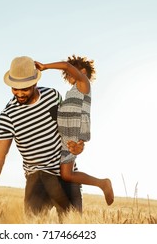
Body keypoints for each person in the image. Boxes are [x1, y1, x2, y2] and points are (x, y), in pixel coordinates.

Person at [0, 56, 82, 217]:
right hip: (37, 179)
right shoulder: (8, 115)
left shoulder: (53, 96)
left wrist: (78, 144)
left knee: (74, 230)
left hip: (66, 175)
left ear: (35, 82)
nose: (19, 93)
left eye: (24, 88)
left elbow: (68, 129)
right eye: (14, 88)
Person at [35, 55, 114, 206]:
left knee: (71, 160)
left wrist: (45, 66)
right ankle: (102, 183)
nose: (67, 74)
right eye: (66, 74)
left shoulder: (83, 84)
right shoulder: (70, 92)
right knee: (66, 174)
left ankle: (102, 183)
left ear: (82, 72)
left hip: (75, 132)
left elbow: (66, 65)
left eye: (70, 72)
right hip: (64, 137)